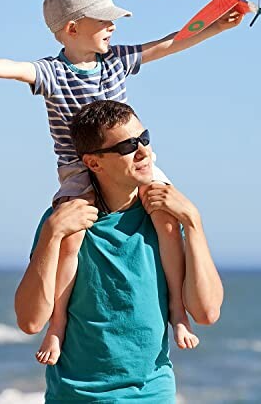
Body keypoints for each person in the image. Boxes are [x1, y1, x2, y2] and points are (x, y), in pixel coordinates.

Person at [0, 0, 241, 364]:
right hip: (78, 170)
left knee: (168, 221)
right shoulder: (52, 72)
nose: (114, 27)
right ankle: (57, 326)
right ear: (72, 28)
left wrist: (216, 27)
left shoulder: (116, 61)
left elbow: (167, 44)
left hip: (130, 160)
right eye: (104, 20)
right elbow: (17, 69)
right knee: (71, 239)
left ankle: (179, 317)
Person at [14, 100, 224, 403]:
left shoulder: (164, 217)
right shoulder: (64, 222)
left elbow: (206, 313)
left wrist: (193, 221)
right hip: (76, 396)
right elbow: (30, 322)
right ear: (94, 163)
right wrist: (51, 234)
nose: (143, 152)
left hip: (153, 394)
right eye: (127, 146)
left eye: (144, 139)